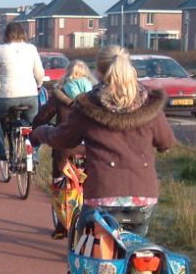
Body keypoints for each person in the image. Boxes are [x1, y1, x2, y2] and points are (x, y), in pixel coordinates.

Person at [32, 45, 176, 237]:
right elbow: (166, 142)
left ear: (98, 72)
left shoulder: (88, 105)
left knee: (82, 241)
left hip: (102, 192)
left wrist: (41, 132)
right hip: (144, 194)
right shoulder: (149, 103)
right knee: (135, 246)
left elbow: (63, 139)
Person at [32, 60, 92, 238]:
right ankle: (87, 223)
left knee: (59, 181)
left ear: (68, 75)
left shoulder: (60, 94)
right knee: (88, 183)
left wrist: (36, 128)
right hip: (87, 148)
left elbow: (43, 116)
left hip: (64, 147)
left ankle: (61, 224)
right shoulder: (94, 96)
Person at [0, 22, 44, 164]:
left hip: (7, 95)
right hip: (30, 96)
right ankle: (34, 153)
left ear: (6, 34)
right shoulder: (31, 49)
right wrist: (38, 85)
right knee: (35, 124)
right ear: (23, 34)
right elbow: (39, 73)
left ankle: (0, 152)